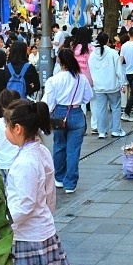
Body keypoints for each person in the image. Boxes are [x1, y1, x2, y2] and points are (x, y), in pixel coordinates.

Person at [3, 99, 70, 265]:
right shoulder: (40, 151)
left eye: (6, 126)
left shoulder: (24, 162)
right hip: (44, 229)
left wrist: (5, 225)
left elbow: (24, 204)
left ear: (17, 128)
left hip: (27, 235)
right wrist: (48, 214)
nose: (5, 130)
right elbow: (50, 192)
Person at [44, 48, 94, 194]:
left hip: (59, 114)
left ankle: (58, 178)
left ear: (59, 61)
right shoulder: (81, 78)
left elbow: (49, 103)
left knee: (59, 146)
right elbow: (88, 97)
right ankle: (70, 183)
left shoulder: (53, 80)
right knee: (74, 150)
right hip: (77, 113)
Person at [89, 32, 125, 139]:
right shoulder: (113, 53)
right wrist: (121, 82)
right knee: (115, 107)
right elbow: (118, 70)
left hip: (99, 86)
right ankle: (116, 130)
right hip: (112, 85)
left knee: (100, 109)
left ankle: (102, 131)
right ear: (108, 41)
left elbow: (91, 71)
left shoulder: (92, 55)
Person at [0, 89, 21, 181]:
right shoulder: (20, 121)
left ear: (2, 106)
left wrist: (0, 144)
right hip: (16, 160)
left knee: (3, 187)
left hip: (1, 160)